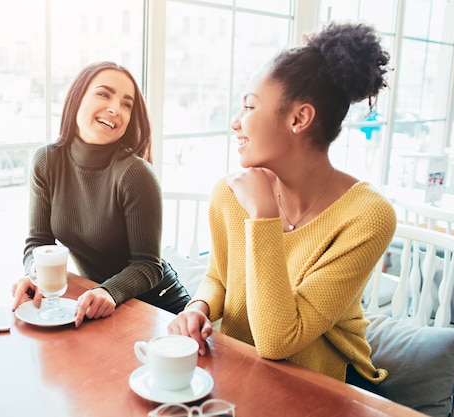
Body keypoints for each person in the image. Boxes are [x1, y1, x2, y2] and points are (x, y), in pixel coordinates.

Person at [167, 22, 397, 387]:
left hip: (324, 383)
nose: (235, 122)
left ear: (299, 118)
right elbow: (218, 277)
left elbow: (278, 340)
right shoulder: (228, 194)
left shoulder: (368, 215)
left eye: (249, 106)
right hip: (243, 368)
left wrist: (263, 217)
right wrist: (199, 307)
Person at [12, 61, 190, 327]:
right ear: (77, 97)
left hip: (158, 307)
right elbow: (38, 242)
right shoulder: (46, 161)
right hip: (98, 301)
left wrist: (108, 291)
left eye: (126, 104)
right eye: (104, 94)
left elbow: (148, 265)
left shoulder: (135, 174)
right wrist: (36, 275)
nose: (115, 109)